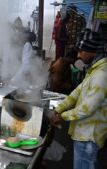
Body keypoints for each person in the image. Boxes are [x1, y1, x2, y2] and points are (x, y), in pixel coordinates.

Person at [50, 29, 107, 169]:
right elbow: (78, 91)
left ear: (92, 51)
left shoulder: (101, 75)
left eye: (82, 51)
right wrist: (59, 108)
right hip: (84, 131)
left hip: (89, 136)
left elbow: (87, 108)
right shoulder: (94, 69)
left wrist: (62, 116)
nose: (78, 54)